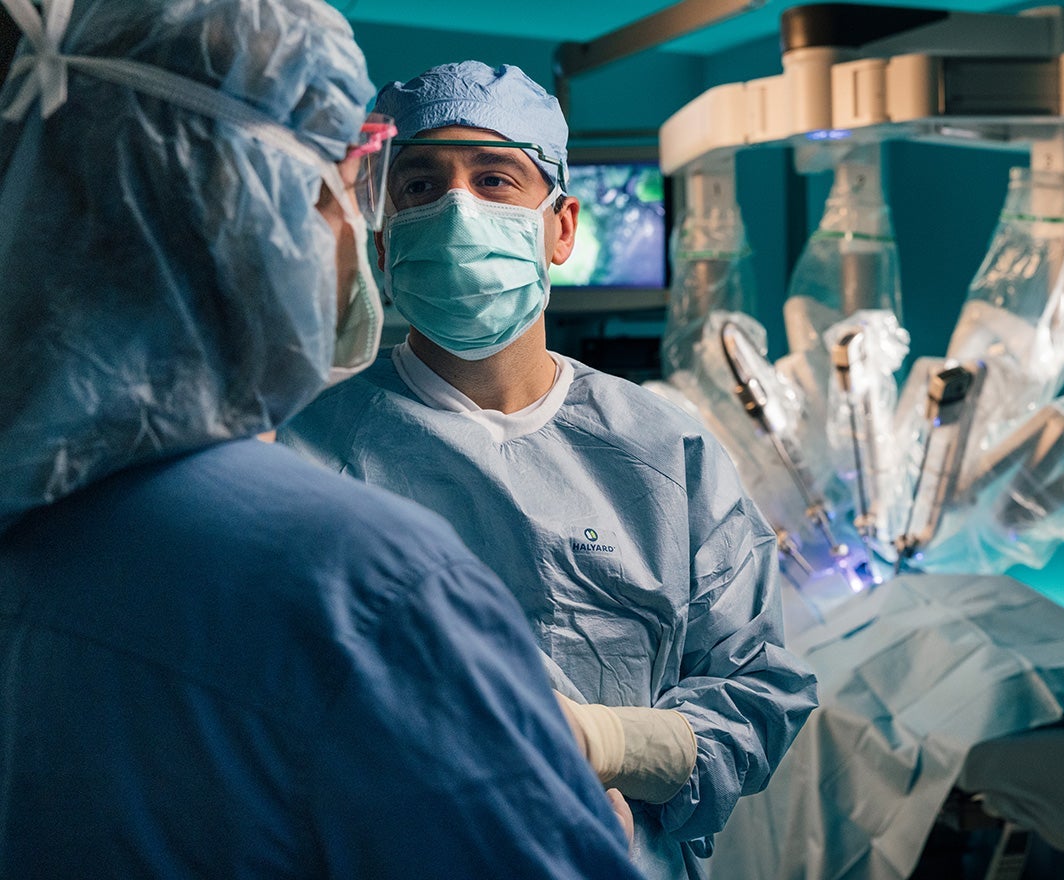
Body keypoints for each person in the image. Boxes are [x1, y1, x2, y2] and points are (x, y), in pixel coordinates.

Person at [0, 3, 644, 878]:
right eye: (358, 187)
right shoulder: (363, 587)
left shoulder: (35, 528)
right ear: (266, 211)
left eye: (495, 182)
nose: (354, 224)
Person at [279, 60, 819, 880]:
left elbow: (756, 692)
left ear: (561, 227)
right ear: (382, 236)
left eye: (495, 178)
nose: (458, 208)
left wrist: (602, 744)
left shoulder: (667, 453)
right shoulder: (304, 454)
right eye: (420, 184)